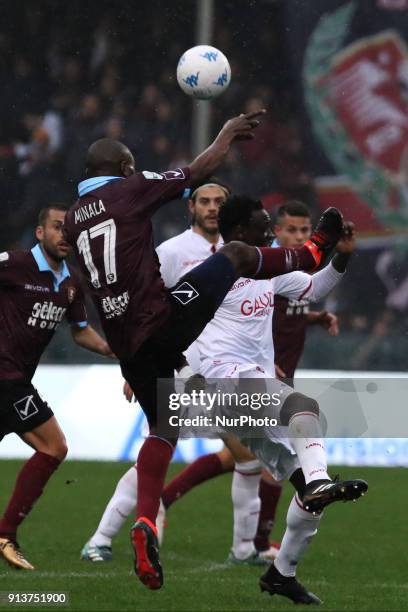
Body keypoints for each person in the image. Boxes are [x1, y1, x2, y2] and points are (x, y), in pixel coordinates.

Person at [63, 110, 345, 590]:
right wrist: (227, 135)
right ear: (127, 167)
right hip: (164, 322)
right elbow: (198, 168)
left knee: (162, 430)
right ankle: (312, 250)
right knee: (234, 257)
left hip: (127, 341)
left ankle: (147, 521)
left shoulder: (72, 220)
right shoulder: (131, 189)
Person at [0, 205, 114, 571]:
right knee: (55, 445)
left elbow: (80, 330)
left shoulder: (71, 282)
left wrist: (115, 350)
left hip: (17, 378)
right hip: (6, 378)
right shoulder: (14, 263)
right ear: (39, 232)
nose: (64, 234)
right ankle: (5, 534)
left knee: (51, 450)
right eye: (56, 227)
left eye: (69, 229)